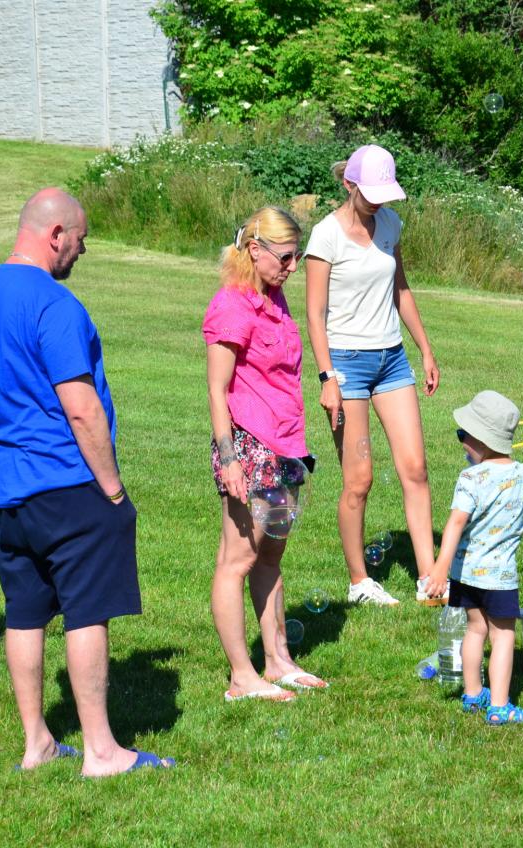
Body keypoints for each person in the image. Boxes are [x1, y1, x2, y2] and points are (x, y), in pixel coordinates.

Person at [0, 188, 172, 775]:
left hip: (10, 487)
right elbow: (81, 408)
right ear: (56, 235)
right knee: (86, 611)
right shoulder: (55, 304)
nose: (81, 252)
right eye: (80, 240)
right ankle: (101, 751)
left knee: (24, 612)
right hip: (69, 481)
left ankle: (38, 743)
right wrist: (113, 490)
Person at [304, 144, 443, 607]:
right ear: (349, 185)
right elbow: (315, 313)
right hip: (346, 365)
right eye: (372, 194)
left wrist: (425, 349)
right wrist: (327, 377)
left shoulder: (390, 224)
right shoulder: (326, 235)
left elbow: (400, 288)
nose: (379, 203)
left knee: (415, 468)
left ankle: (429, 577)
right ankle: (360, 581)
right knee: (359, 479)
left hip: (392, 360)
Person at [204, 207, 329, 702]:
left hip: (286, 445)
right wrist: (229, 459)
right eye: (286, 257)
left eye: (297, 257)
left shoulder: (274, 299)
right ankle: (241, 676)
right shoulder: (231, 306)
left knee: (270, 555)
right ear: (255, 250)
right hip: (249, 447)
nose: (293, 267)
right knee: (237, 559)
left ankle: (277, 662)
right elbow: (217, 391)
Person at [424, 391, 523, 725]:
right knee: (503, 635)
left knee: (476, 630)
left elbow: (455, 523)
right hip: (499, 576)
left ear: (483, 440)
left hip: (464, 572)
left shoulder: (469, 478)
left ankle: (473, 695)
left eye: (463, 435)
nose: (461, 442)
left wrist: (440, 568)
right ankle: (500, 707)